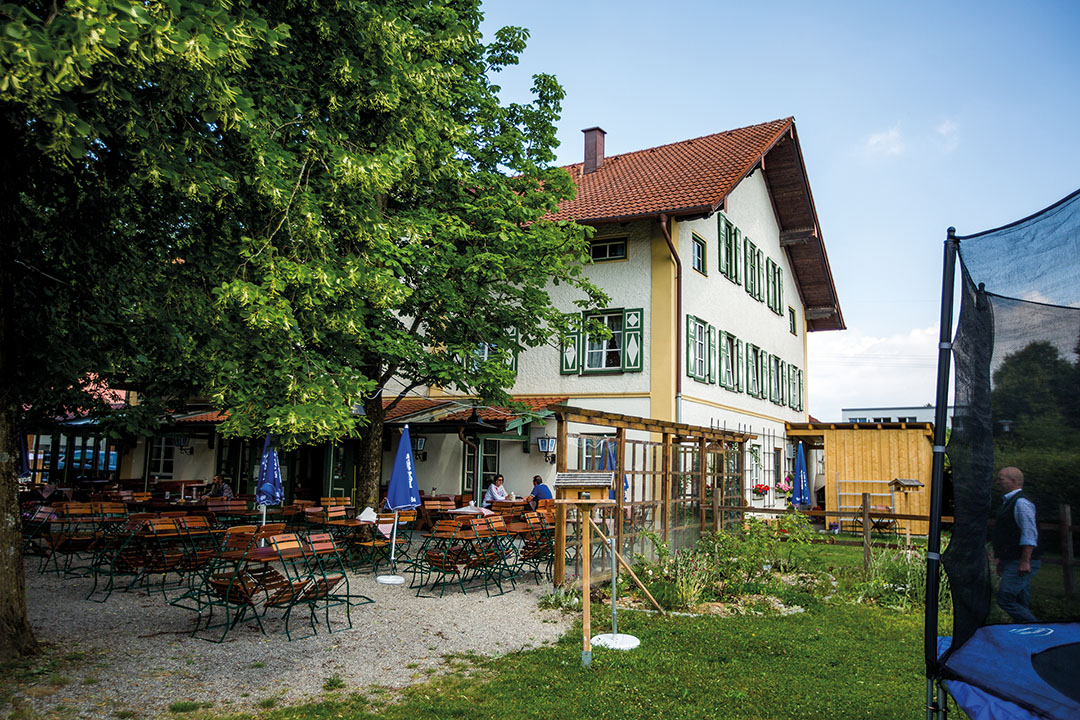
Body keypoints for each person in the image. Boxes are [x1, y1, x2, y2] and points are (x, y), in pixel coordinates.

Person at [990, 466, 1041, 623]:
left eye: (1001, 478)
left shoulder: (1021, 503)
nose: (997, 482)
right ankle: (1025, 634)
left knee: (1005, 599)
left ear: (1013, 481)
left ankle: (1037, 629)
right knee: (1020, 601)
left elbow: (1029, 533)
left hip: (1021, 561)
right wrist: (1001, 560)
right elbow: (1007, 535)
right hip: (1012, 560)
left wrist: (1025, 561)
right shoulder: (1009, 502)